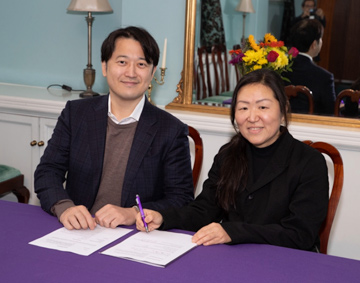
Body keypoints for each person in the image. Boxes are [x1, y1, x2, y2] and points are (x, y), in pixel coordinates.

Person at [136, 69, 329, 252]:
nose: (252, 117)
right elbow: (204, 210)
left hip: (285, 263)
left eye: (263, 107)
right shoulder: (229, 154)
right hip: (234, 259)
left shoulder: (309, 163)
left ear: (283, 109)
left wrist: (232, 232)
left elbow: (299, 235)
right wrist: (163, 217)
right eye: (243, 108)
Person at [35, 26, 194, 230]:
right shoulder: (76, 113)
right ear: (104, 66)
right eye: (122, 62)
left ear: (153, 72)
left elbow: (181, 197)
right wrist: (65, 207)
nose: (131, 72)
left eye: (141, 64)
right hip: (79, 229)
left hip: (133, 235)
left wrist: (134, 212)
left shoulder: (171, 130)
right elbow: (48, 171)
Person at [284, 19, 336, 115]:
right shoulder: (324, 77)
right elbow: (331, 113)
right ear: (314, 44)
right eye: (320, 39)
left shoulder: (279, 68)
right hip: (310, 127)